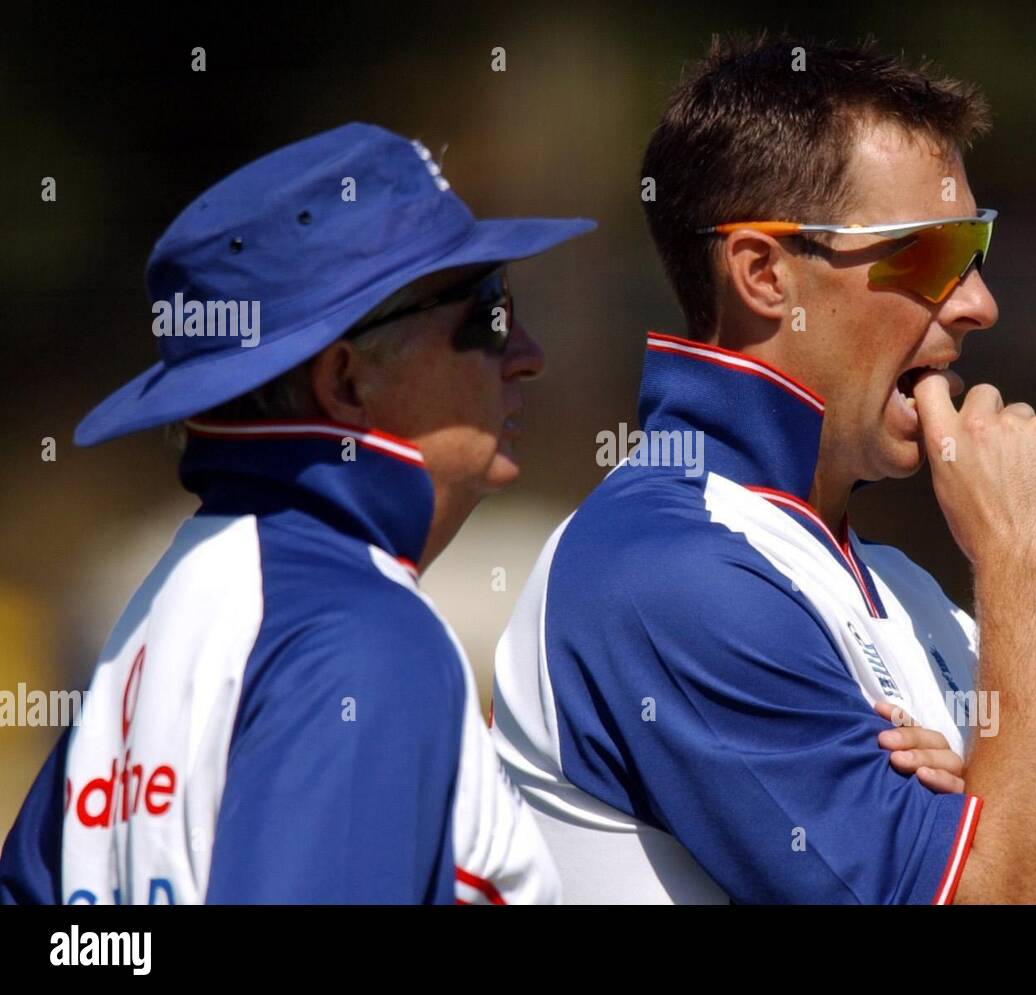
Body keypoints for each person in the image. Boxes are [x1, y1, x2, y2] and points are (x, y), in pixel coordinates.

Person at [490, 37, 1036, 903]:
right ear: (763, 274)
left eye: (981, 247)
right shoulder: (661, 571)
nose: (978, 303)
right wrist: (1024, 560)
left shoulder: (894, 583)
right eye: (932, 253)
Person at [0, 122, 594, 904]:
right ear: (346, 382)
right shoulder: (366, 638)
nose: (528, 351)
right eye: (485, 309)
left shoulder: (148, 626)